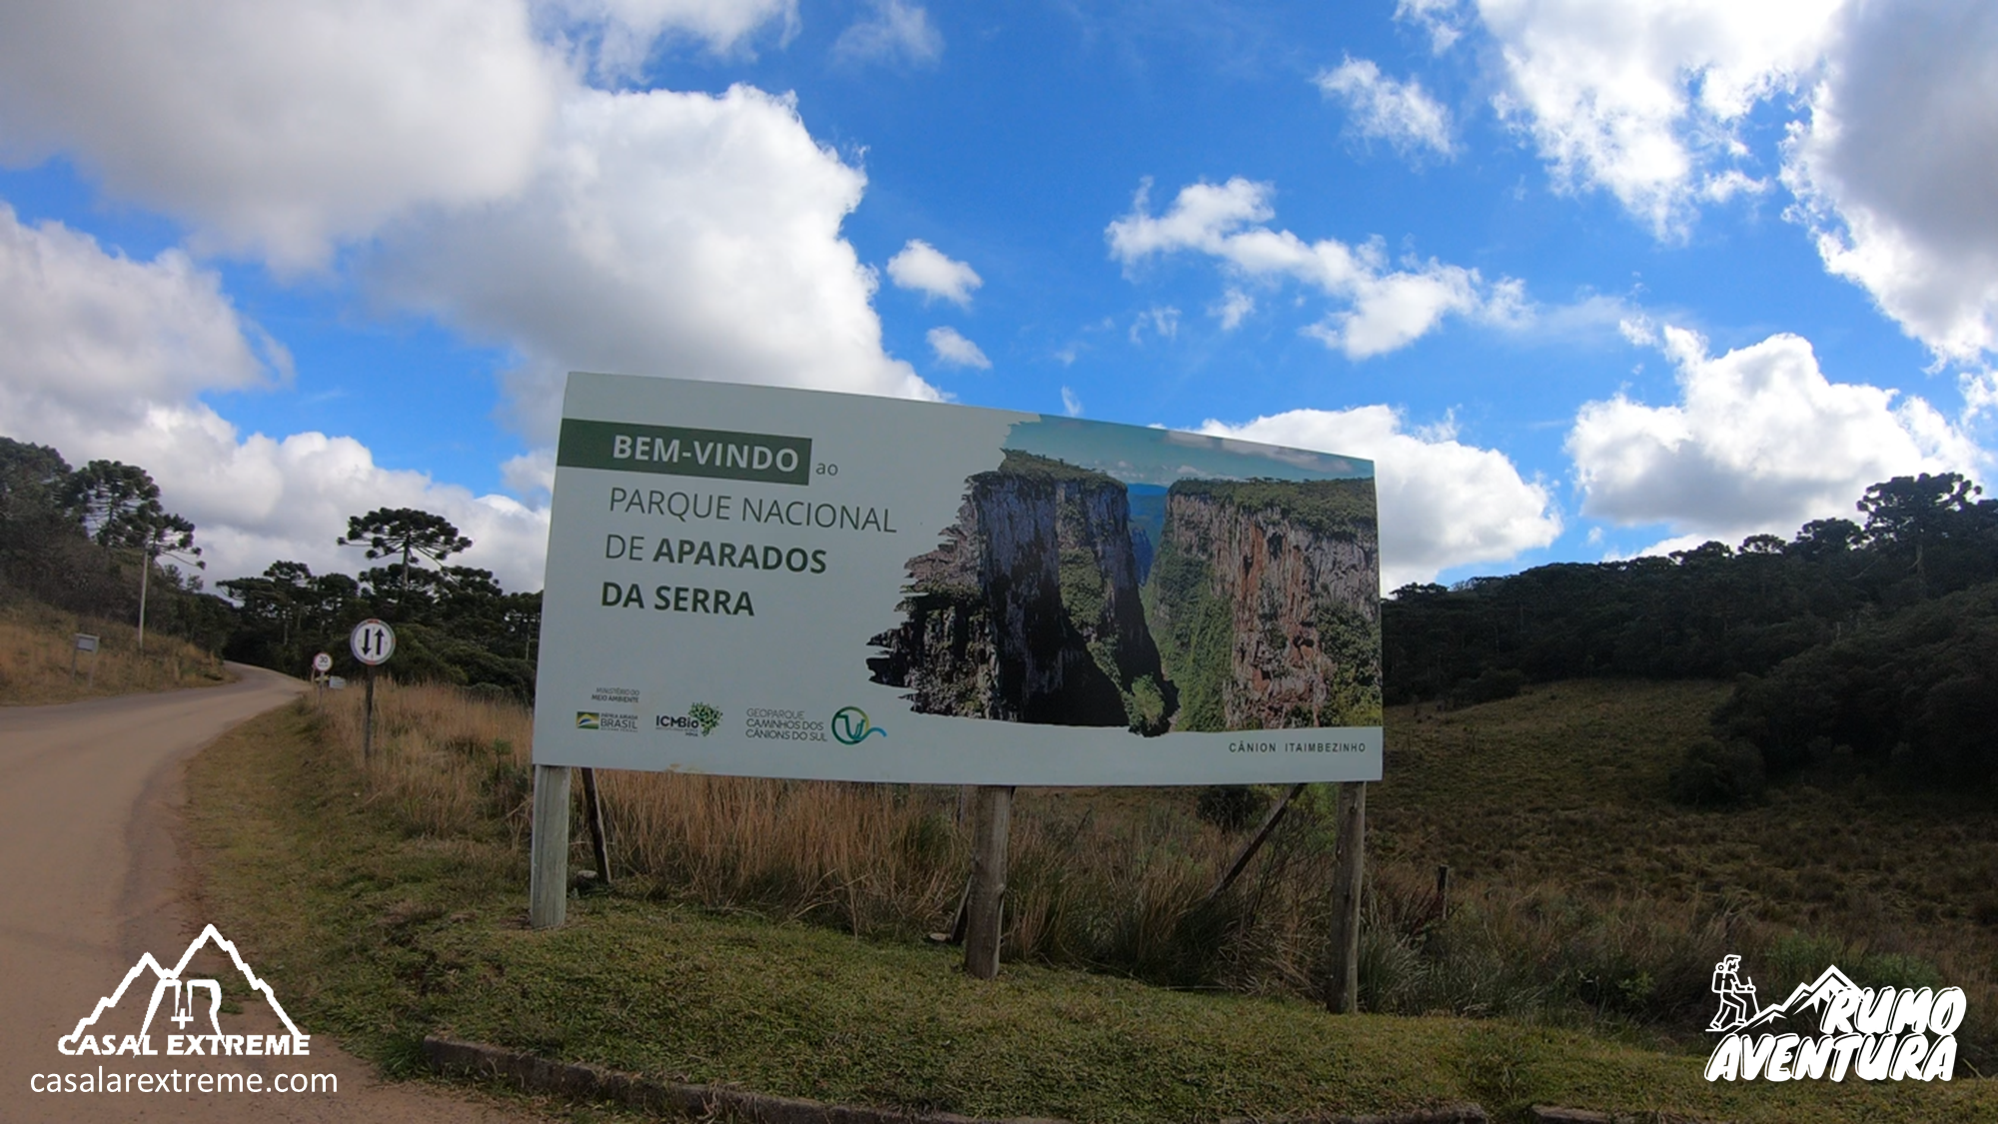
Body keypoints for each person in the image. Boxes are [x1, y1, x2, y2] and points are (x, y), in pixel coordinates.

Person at [1708, 954, 1758, 1031]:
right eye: (1736, 964)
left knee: (1724, 1010)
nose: (1737, 966)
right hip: (1728, 995)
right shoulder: (1731, 975)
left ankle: (1715, 1023)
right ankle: (1740, 1021)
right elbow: (1738, 988)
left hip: (1724, 994)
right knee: (1741, 1004)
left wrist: (1747, 988)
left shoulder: (1724, 974)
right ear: (1730, 964)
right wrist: (1748, 988)